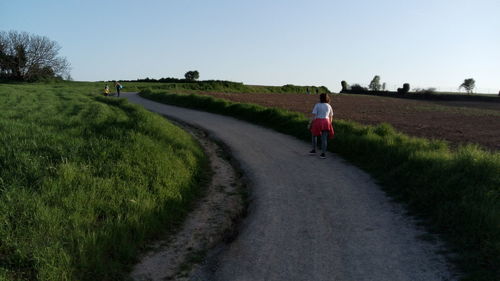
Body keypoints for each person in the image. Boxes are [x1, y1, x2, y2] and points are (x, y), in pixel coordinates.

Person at [309, 93, 334, 159]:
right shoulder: (329, 106)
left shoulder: (317, 105)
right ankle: (323, 154)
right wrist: (330, 124)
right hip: (326, 122)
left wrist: (310, 123)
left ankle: (314, 150)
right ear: (327, 98)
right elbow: (331, 116)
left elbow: (314, 116)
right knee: (324, 138)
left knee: (314, 135)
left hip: (318, 121)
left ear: (320, 98)